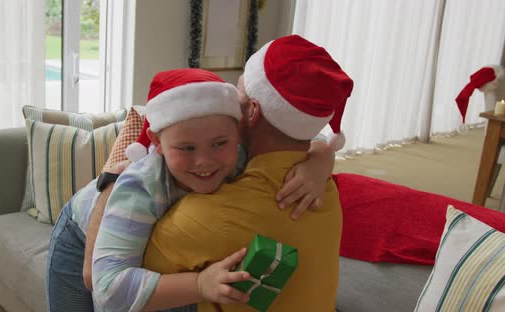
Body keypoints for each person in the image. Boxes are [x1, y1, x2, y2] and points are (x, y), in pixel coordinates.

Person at [47, 68, 333, 312]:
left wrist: (320, 161)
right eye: (186, 148)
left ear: (239, 134)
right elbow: (107, 289)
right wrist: (198, 284)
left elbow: (308, 138)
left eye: (220, 144)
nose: (205, 161)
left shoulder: (242, 152)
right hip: (79, 235)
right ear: (156, 142)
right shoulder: (140, 188)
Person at [142, 34, 353, 312]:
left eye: (238, 89)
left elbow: (121, 286)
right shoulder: (324, 188)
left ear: (252, 111)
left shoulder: (206, 215)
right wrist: (323, 156)